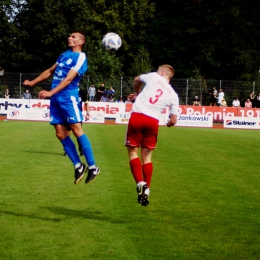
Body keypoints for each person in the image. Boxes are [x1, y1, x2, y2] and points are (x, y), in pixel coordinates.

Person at [23, 30, 100, 185]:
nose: (69, 38)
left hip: (68, 97)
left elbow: (68, 79)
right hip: (56, 98)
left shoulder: (81, 57)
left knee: (76, 129)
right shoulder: (65, 54)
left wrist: (51, 92)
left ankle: (92, 166)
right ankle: (78, 165)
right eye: (70, 36)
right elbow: (50, 71)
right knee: (60, 133)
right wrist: (32, 82)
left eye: (73, 37)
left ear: (81, 42)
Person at [126, 64, 179, 206]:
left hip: (138, 116)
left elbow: (137, 79)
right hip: (153, 122)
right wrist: (169, 123)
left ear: (161, 72)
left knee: (133, 152)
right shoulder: (173, 95)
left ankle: (140, 183)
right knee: (147, 157)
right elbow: (173, 120)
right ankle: (147, 189)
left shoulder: (154, 77)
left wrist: (137, 93)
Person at [64, 85, 90, 156]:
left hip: (78, 116)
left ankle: (81, 150)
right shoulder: (67, 91)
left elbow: (86, 103)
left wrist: (87, 113)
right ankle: (67, 150)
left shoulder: (81, 92)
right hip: (68, 114)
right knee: (67, 133)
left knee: (78, 133)